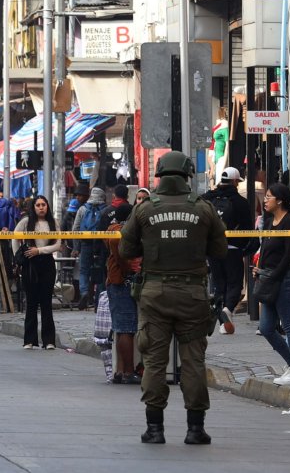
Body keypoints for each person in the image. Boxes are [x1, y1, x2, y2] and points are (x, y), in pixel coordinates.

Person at [119, 151, 227, 445]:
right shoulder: (203, 209)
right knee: (193, 361)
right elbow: (220, 251)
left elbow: (126, 251)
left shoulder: (144, 210)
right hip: (193, 294)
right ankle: (195, 429)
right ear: (188, 175)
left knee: (154, 361)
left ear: (160, 173)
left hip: (154, 294)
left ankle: (155, 429)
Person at [257, 183, 290, 386]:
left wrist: (274, 275)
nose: (265, 200)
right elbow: (266, 249)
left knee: (289, 325)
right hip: (268, 278)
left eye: (269, 197)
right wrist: (259, 269)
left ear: (280, 200)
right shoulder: (268, 222)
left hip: (284, 280)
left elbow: (288, 256)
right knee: (266, 328)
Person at [201, 167, 253, 335]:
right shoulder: (240, 202)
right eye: (237, 181)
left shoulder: (207, 199)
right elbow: (247, 227)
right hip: (233, 249)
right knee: (234, 283)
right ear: (233, 181)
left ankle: (223, 323)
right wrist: (244, 248)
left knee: (218, 284)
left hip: (213, 248)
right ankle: (228, 309)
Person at [13, 196, 61, 350]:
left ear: (47, 206)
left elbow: (57, 245)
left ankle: (49, 341)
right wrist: (18, 256)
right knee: (31, 303)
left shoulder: (54, 223)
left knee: (46, 302)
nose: (41, 208)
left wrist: (39, 251)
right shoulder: (26, 222)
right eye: (38, 205)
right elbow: (15, 237)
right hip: (30, 265)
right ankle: (29, 340)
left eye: (43, 205)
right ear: (33, 207)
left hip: (47, 263)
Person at [105, 203, 141, 383]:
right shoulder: (118, 232)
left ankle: (120, 371)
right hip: (121, 283)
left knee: (122, 329)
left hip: (118, 283)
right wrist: (130, 268)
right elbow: (121, 253)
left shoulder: (115, 231)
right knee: (126, 329)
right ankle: (128, 371)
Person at [73, 187, 107, 309]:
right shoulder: (106, 210)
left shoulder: (82, 209)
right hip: (101, 245)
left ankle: (84, 292)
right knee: (101, 271)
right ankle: (99, 300)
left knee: (84, 270)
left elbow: (75, 229)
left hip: (85, 243)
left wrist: (76, 247)